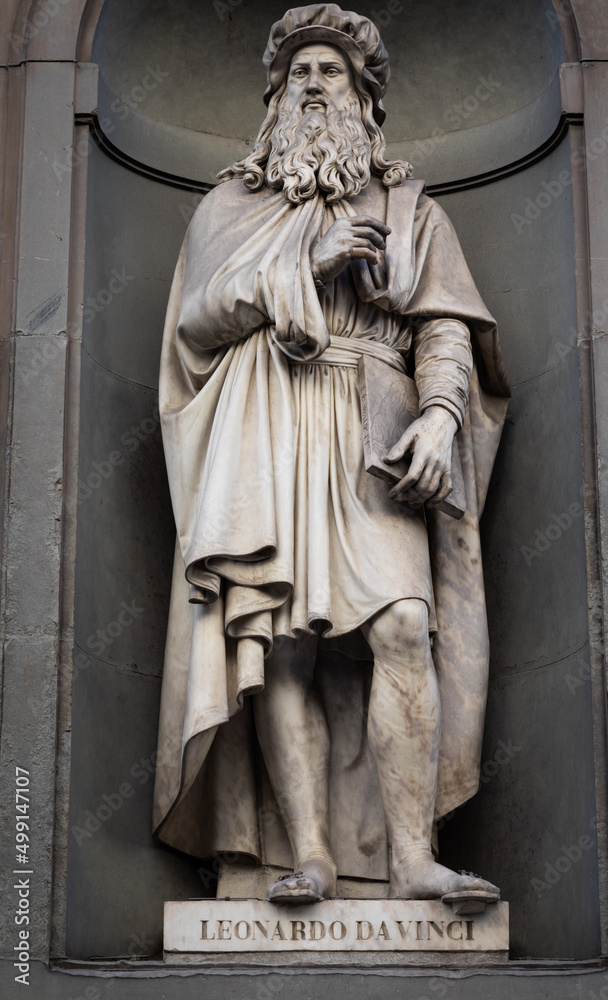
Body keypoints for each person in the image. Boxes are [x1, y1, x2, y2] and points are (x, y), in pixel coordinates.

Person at [153, 4, 510, 912]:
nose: (316, 85)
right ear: (276, 99)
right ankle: (305, 854)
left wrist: (437, 416)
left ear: (363, 100)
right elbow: (198, 318)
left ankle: (413, 857)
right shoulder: (231, 205)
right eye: (300, 73)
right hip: (266, 422)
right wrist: (303, 265)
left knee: (399, 626)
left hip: (376, 424)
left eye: (333, 73)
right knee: (278, 646)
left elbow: (444, 325)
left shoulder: (406, 206)